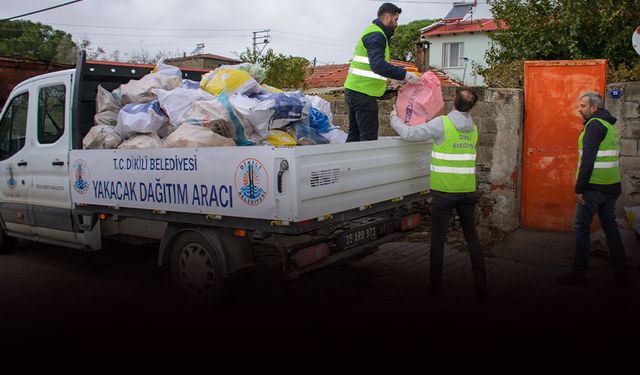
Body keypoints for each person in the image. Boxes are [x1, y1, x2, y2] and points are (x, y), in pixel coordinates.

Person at [390, 89, 487, 298]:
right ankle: (481, 283)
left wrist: (393, 118)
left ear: (453, 101)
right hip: (467, 191)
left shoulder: (442, 123)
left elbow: (409, 134)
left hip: (444, 193)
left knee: (438, 239)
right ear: (471, 108)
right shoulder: (474, 128)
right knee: (472, 237)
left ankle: (436, 286)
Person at [556, 92, 627, 287]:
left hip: (594, 187)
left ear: (594, 108)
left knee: (580, 227)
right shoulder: (608, 125)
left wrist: (580, 189)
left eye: (583, 106)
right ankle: (621, 275)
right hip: (612, 186)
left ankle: (578, 274)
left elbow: (588, 160)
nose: (579, 109)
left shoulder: (594, 126)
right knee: (611, 229)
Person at [344, 2, 421, 142]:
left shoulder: (373, 32)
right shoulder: (376, 35)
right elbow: (378, 65)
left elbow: (376, 66)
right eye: (396, 19)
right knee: (368, 138)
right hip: (363, 93)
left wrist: (396, 75)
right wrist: (406, 75)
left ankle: (349, 164)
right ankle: (365, 164)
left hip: (356, 90)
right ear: (387, 17)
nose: (397, 24)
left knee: (355, 136)